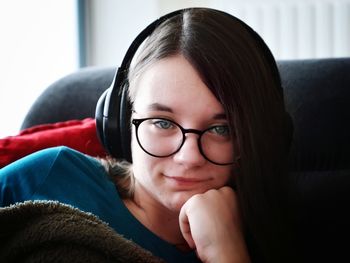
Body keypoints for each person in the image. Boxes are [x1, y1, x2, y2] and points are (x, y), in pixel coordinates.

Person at [0, 8, 293, 263]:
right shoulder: (50, 175)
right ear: (122, 122)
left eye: (221, 129)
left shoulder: (264, 238)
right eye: (162, 123)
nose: (189, 157)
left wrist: (227, 252)